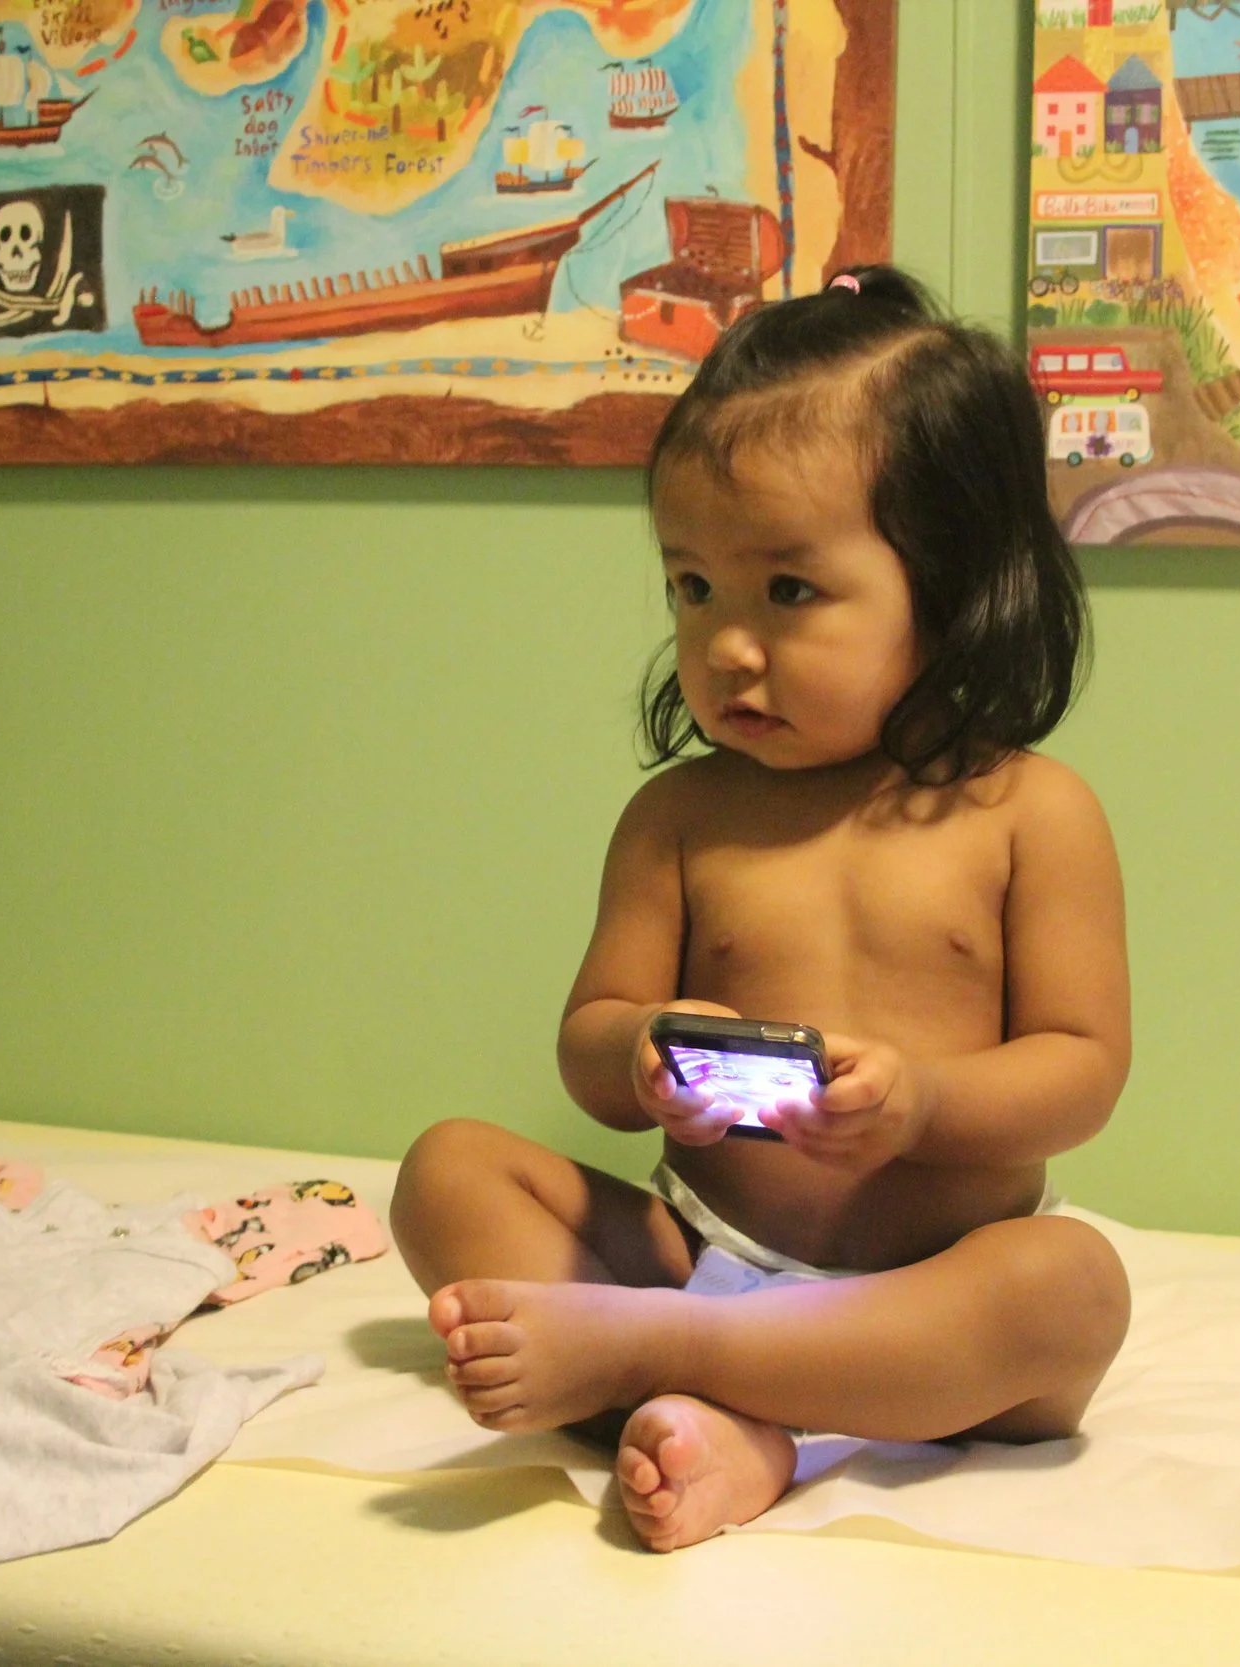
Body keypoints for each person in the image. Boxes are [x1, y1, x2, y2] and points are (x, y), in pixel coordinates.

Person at [389, 265, 1133, 1553]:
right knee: (445, 1170)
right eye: (693, 588)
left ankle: (679, 1368)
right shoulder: (681, 818)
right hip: (709, 1243)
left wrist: (923, 1107)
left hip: (931, 1293)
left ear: (950, 583)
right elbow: (590, 1042)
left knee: (1074, 1290)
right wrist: (643, 1050)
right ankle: (755, 1415)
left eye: (788, 591)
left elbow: (1082, 1071)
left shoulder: (1032, 812)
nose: (730, 643)